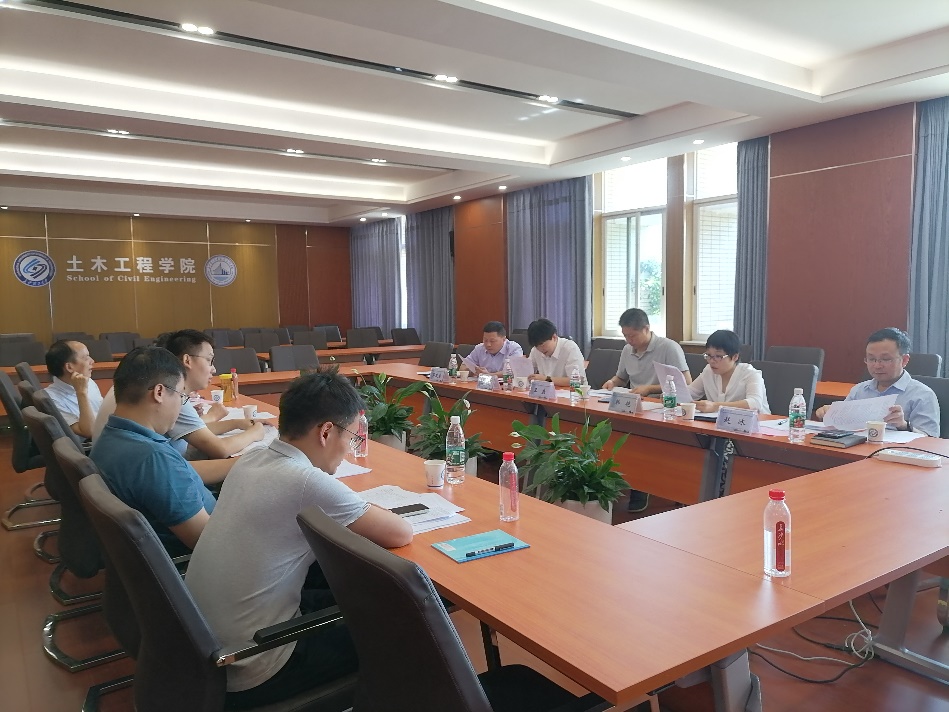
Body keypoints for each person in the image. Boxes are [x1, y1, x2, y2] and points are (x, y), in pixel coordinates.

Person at [185, 370, 413, 708]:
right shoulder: (304, 480)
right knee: (402, 633)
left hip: (204, 650)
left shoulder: (253, 458)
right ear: (326, 431)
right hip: (255, 663)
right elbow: (400, 532)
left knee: (346, 593)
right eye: (351, 437)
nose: (349, 449)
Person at [90, 347, 216, 556]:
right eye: (181, 396)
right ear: (159, 393)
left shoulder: (112, 435)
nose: (181, 405)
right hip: (198, 556)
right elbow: (209, 544)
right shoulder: (154, 458)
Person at [92, 329, 266, 466]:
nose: (213, 369)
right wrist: (255, 433)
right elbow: (219, 449)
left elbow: (195, 432)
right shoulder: (167, 393)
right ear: (187, 360)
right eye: (209, 360)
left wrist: (236, 423)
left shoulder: (144, 382)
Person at [815, 328, 939, 437]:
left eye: (885, 359)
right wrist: (830, 414)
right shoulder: (859, 390)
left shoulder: (923, 395)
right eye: (871, 359)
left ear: (904, 360)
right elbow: (843, 425)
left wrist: (903, 425)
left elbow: (931, 440)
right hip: (858, 449)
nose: (877, 365)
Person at [602, 309, 691, 396]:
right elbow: (621, 378)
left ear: (646, 329)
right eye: (625, 336)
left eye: (632, 336)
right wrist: (612, 382)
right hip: (634, 400)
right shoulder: (627, 349)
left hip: (662, 401)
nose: (629, 340)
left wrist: (650, 389)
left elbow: (686, 382)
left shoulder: (669, 347)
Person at [688, 330, 770, 414]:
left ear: (735, 357)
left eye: (718, 356)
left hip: (759, 421)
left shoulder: (750, 374)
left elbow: (755, 403)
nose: (712, 361)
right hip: (720, 421)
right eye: (709, 355)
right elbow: (689, 394)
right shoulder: (708, 371)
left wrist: (715, 406)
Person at [43, 340, 104, 439]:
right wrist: (81, 392)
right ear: (69, 367)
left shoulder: (89, 382)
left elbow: (102, 412)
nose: (92, 361)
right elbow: (89, 432)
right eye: (86, 358)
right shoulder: (52, 399)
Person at [525, 318, 585, 386]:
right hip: (548, 391)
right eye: (537, 346)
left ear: (554, 337)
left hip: (574, 391)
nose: (540, 349)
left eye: (542, 345)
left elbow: (576, 381)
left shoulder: (570, 348)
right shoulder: (535, 350)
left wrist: (546, 379)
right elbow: (527, 372)